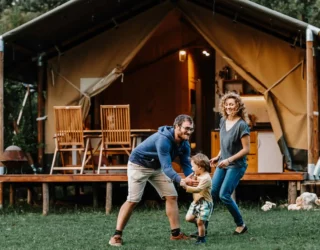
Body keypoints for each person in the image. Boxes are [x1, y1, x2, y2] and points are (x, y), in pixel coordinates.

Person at [109, 114, 199, 247]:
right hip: (139, 165)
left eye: (191, 129)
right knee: (133, 200)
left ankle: (176, 235)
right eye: (186, 128)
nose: (189, 132)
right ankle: (116, 235)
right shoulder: (163, 140)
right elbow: (167, 167)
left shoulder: (185, 143)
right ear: (176, 126)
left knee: (172, 196)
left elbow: (185, 163)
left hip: (157, 167)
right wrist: (181, 181)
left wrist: (193, 177)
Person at [210, 92, 250, 235]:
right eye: (226, 104)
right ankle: (202, 227)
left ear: (238, 106)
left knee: (224, 195)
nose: (228, 107)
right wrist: (218, 156)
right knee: (212, 193)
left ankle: (241, 225)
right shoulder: (222, 121)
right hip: (223, 163)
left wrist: (228, 160)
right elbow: (225, 144)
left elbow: (246, 149)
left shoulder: (242, 125)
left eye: (231, 104)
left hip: (236, 165)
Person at [180, 153, 213, 245]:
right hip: (196, 202)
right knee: (189, 218)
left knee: (199, 222)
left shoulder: (206, 178)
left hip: (205, 203)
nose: (192, 168)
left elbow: (198, 189)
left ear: (200, 167)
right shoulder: (196, 174)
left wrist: (186, 186)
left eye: (193, 166)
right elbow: (190, 181)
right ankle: (201, 226)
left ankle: (201, 239)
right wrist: (187, 180)